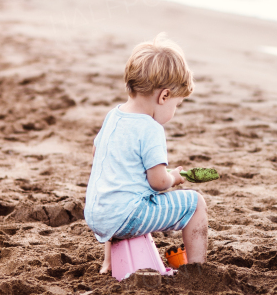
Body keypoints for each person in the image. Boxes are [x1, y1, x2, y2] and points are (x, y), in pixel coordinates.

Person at [85, 34, 208, 271]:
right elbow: (159, 182)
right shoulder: (151, 128)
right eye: (176, 105)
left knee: (118, 190)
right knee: (195, 204)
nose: (174, 112)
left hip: (97, 214)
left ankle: (109, 263)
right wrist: (175, 177)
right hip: (127, 217)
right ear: (164, 96)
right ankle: (198, 270)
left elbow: (97, 152)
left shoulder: (114, 115)